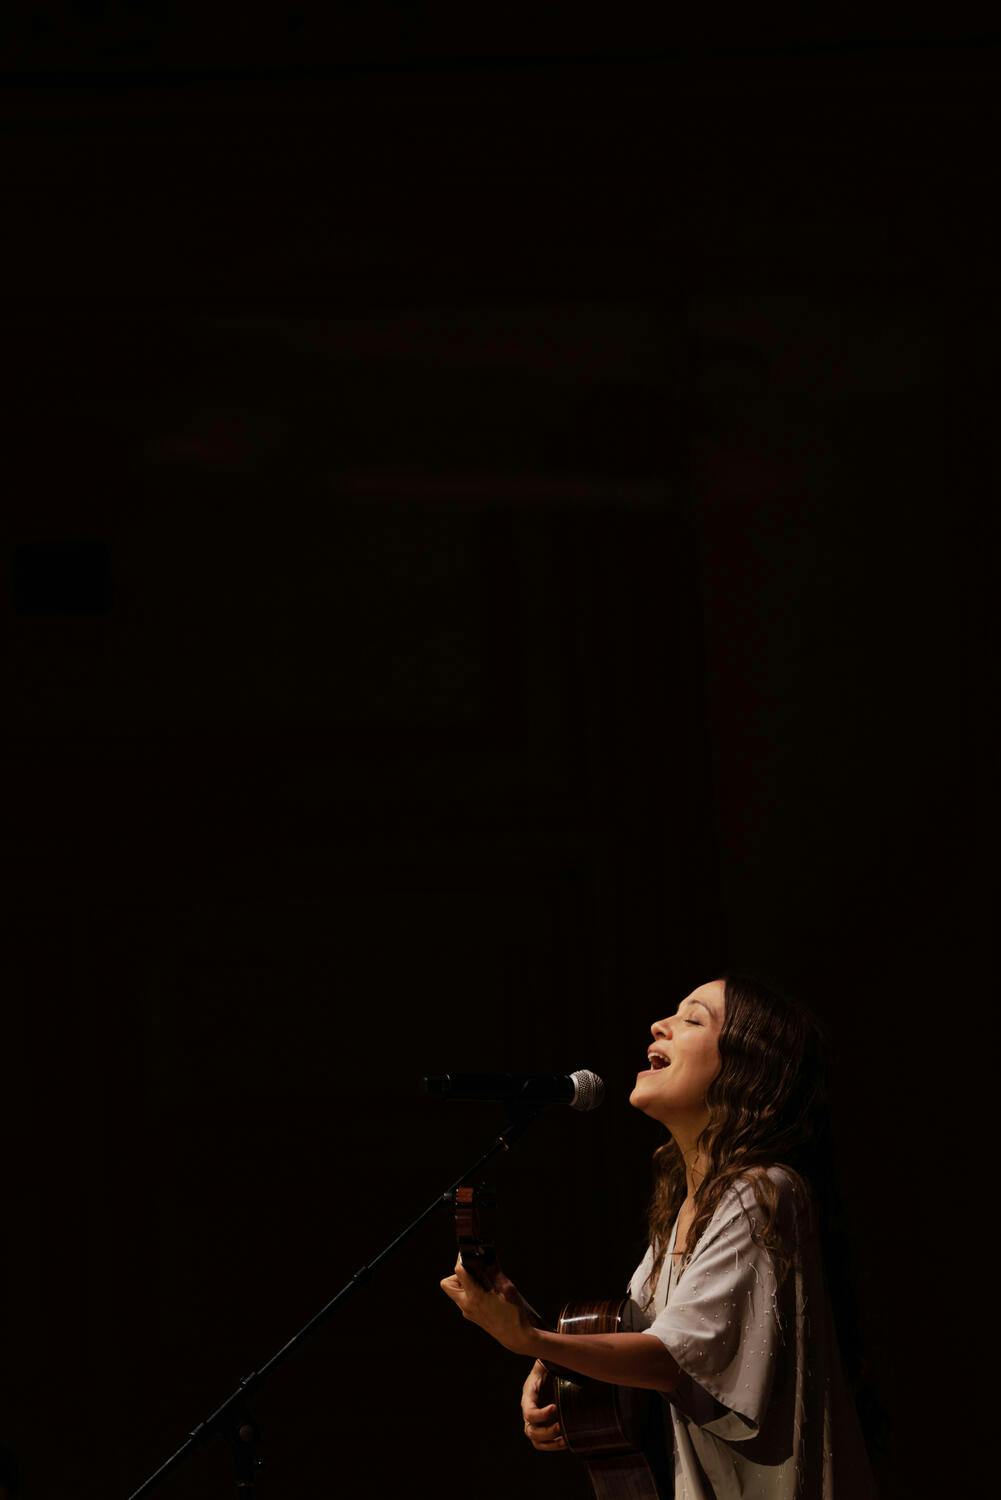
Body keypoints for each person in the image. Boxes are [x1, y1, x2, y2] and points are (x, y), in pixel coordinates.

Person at [440, 973, 883, 1499]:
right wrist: (549, 1352)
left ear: (746, 1069)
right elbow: (645, 1329)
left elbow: (673, 1357)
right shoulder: (685, 1208)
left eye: (693, 1019)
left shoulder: (764, 1192)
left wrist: (530, 1340)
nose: (659, 1025)